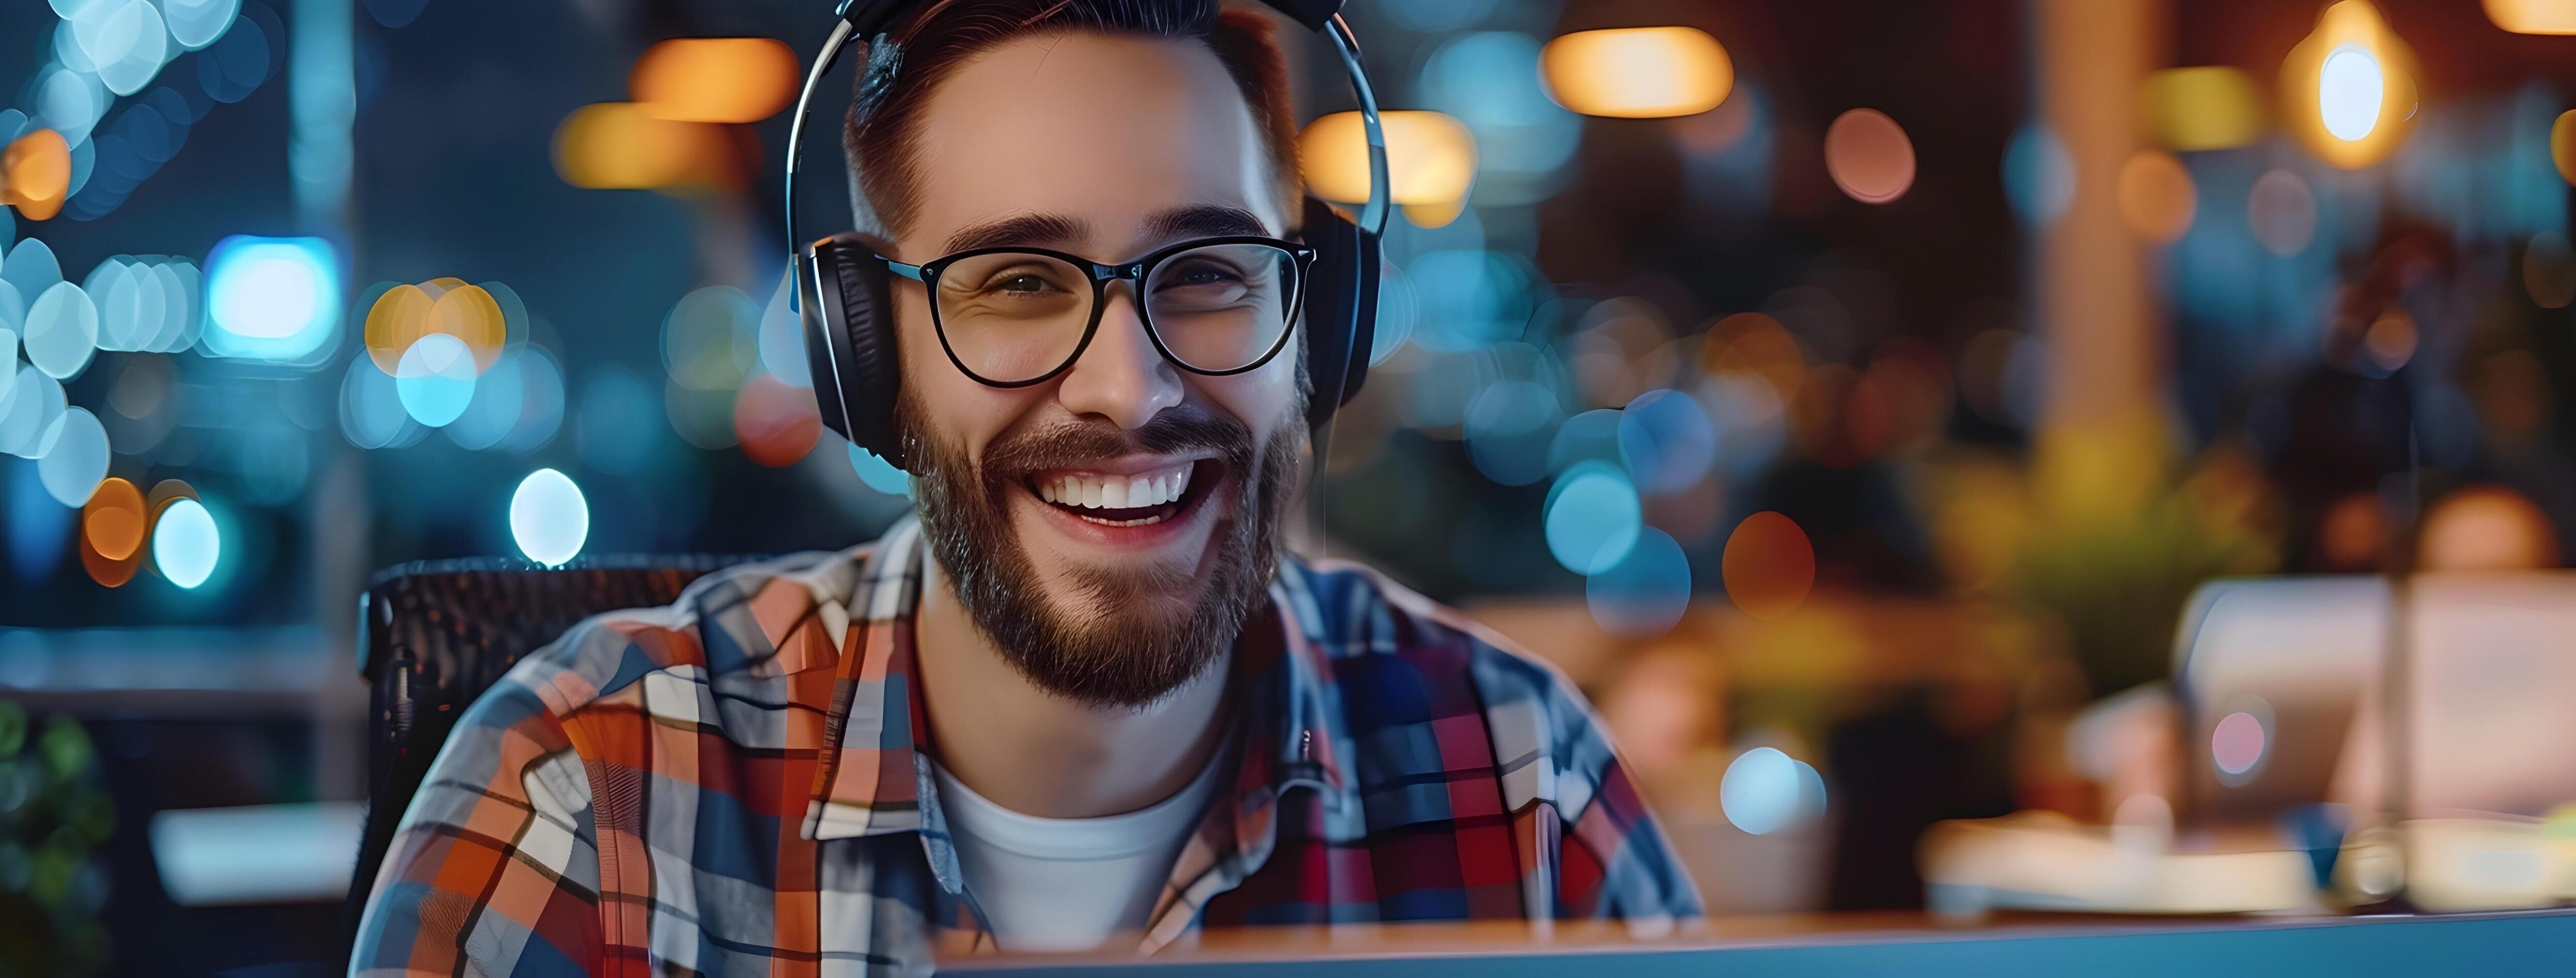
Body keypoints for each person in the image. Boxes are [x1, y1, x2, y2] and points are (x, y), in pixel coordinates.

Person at [350, 2, 1697, 973]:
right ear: (872, 359)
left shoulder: (1519, 781)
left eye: (1213, 270)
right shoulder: (590, 796)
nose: (1125, 387)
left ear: (1323, 324)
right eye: (1018, 284)